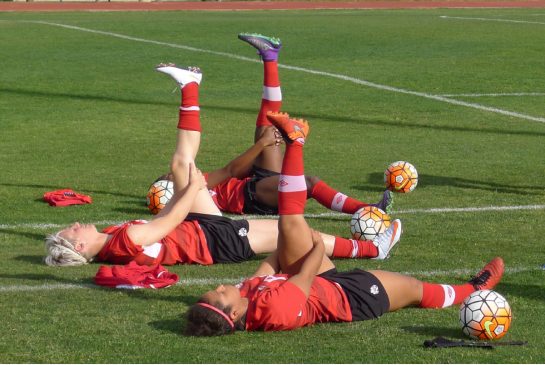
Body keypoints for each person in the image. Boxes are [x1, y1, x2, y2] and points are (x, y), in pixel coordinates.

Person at [44, 49, 402, 267]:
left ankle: (189, 85)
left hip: (198, 229)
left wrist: (190, 186)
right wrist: (191, 191)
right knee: (293, 233)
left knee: (179, 166)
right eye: (72, 229)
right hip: (216, 243)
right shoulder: (120, 244)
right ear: (78, 245)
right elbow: (168, 222)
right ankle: (372, 250)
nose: (77, 224)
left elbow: (170, 220)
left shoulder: (111, 239)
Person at [184, 112, 505, 336]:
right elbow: (307, 272)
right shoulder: (274, 309)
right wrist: (315, 245)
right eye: (219, 294)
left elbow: (267, 269)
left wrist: (290, 246)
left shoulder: (244, 294)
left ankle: (295, 144)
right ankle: (474, 289)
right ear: (235, 313)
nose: (220, 286)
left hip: (323, 283)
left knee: (290, 225)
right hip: (354, 298)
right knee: (419, 290)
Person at [153, 33, 394, 217]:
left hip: (254, 182)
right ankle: (366, 208)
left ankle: (270, 57)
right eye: (167, 178)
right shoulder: (192, 188)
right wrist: (261, 146)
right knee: (308, 182)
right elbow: (229, 171)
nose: (169, 174)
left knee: (268, 124)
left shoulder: (193, 178)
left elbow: (239, 171)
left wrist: (265, 146)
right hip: (252, 198)